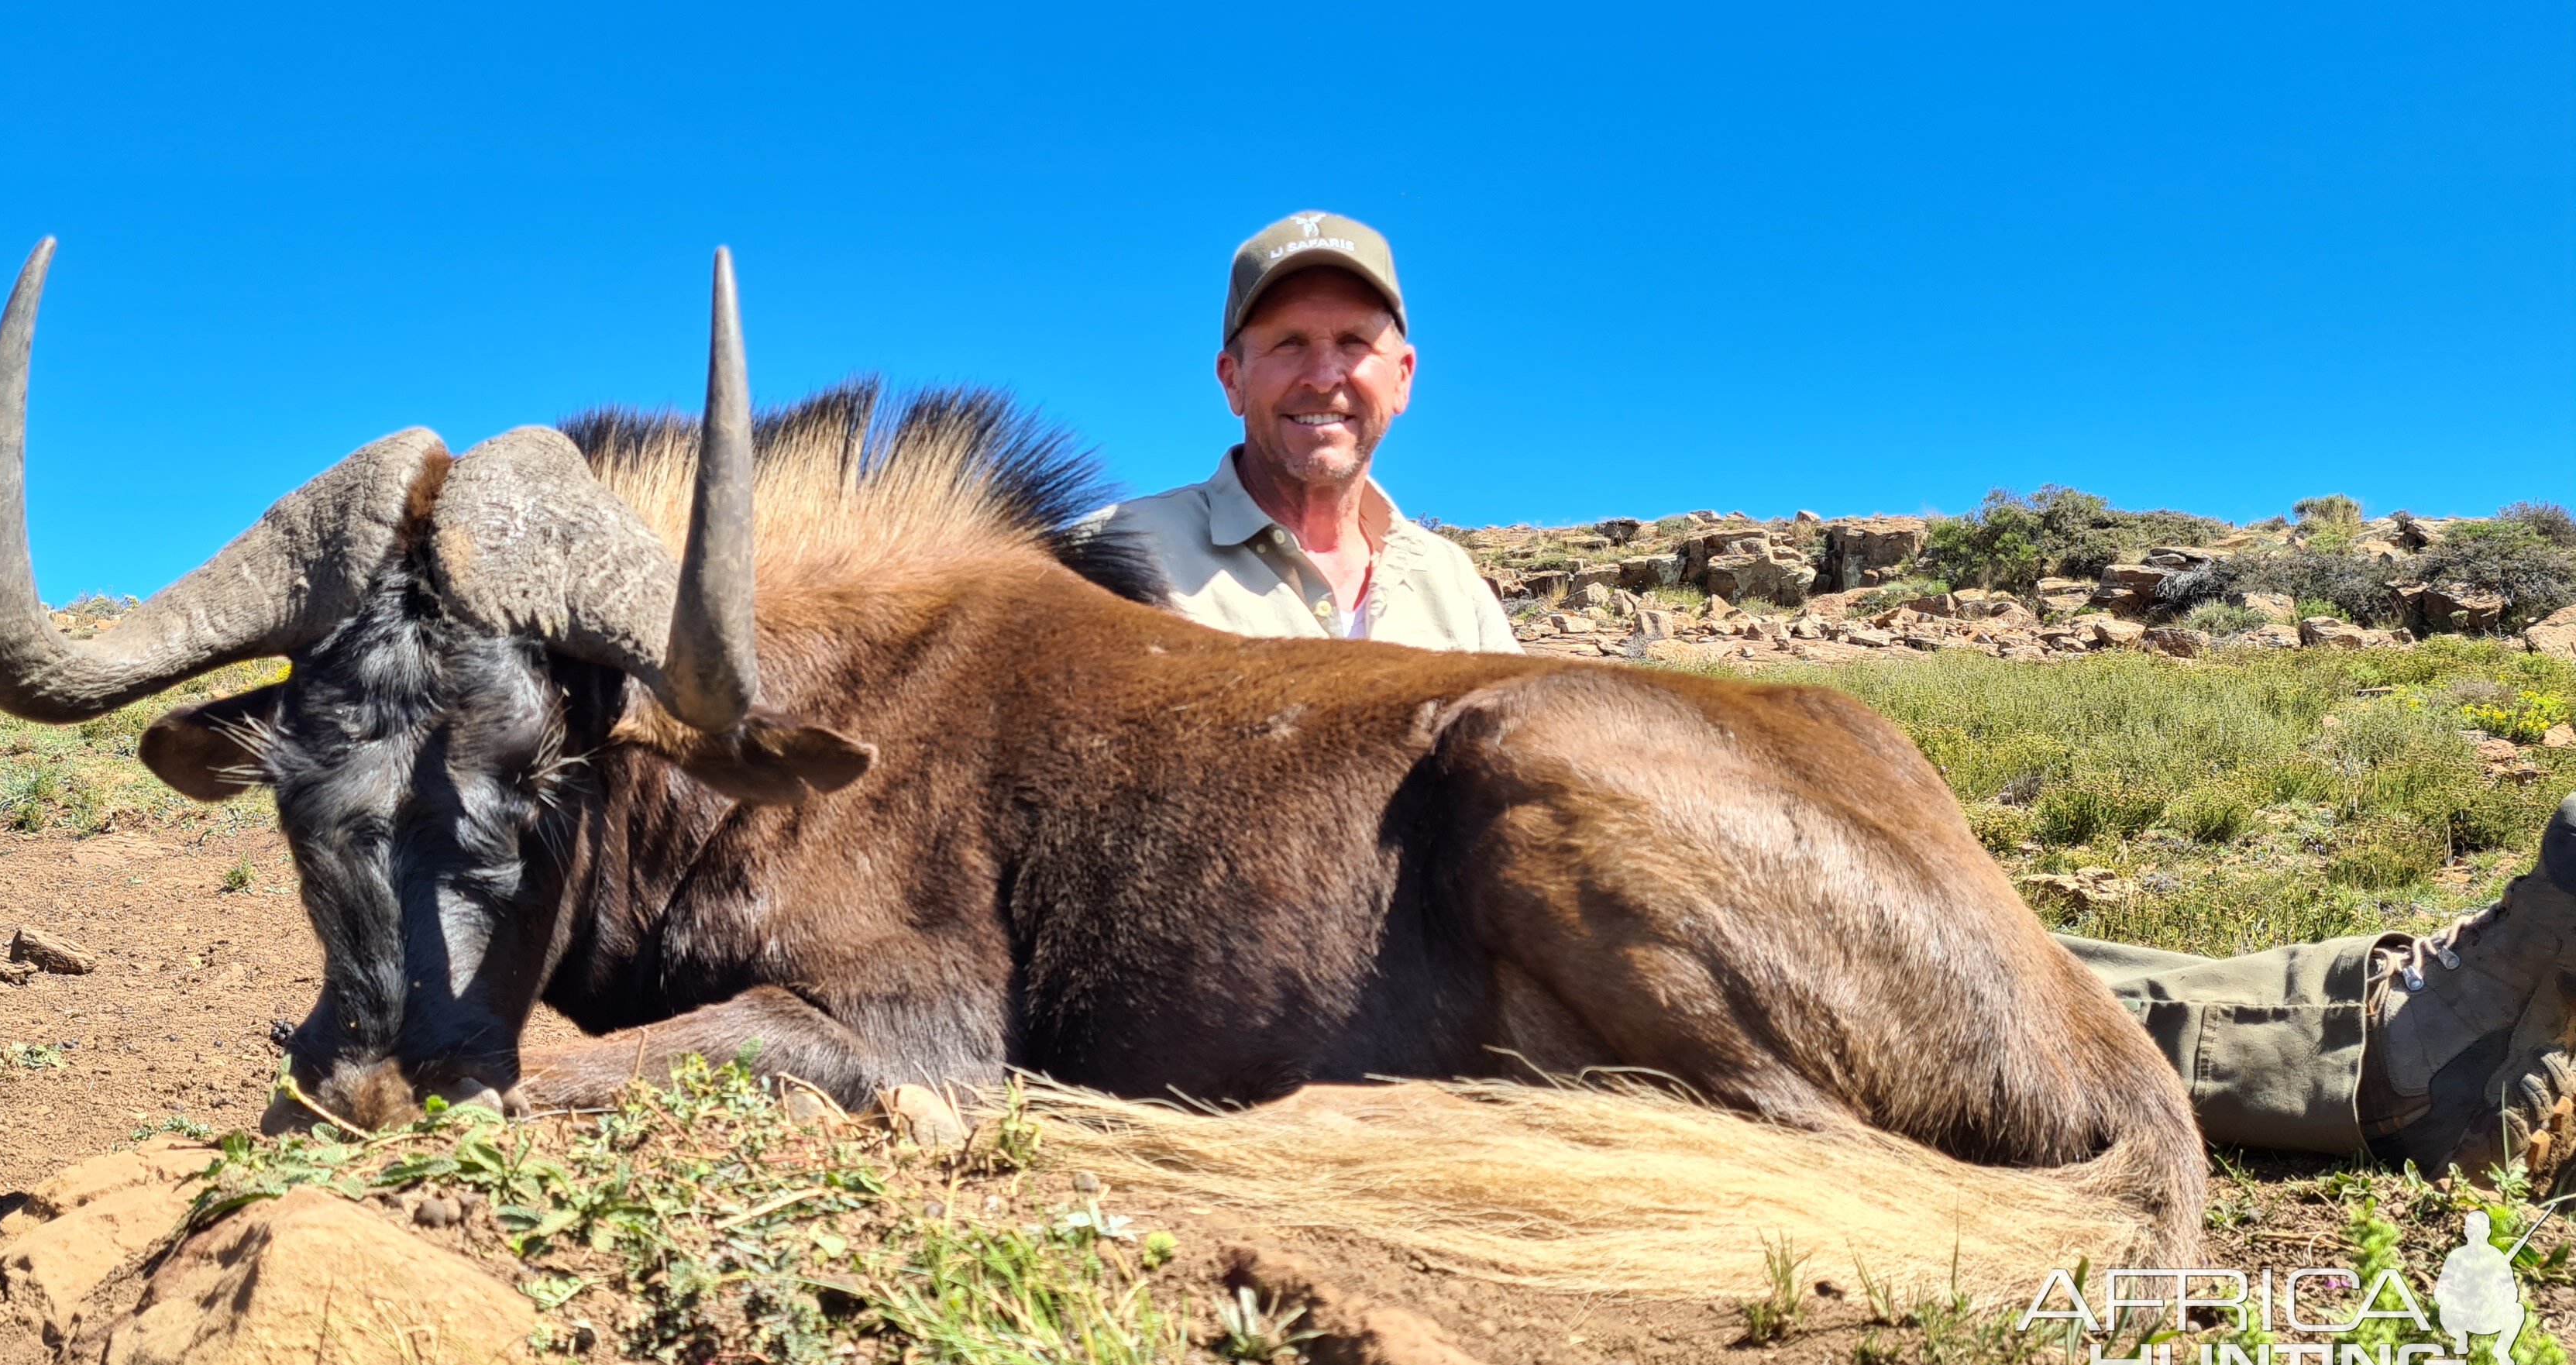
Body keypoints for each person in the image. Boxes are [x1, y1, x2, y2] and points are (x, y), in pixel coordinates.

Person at [1085, 209, 2576, 1180]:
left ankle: (2373, 1011)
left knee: (1912, 938)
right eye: (1287, 343)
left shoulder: (1450, 587)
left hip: (1509, 912)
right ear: (1230, 374)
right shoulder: (1116, 565)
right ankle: (2390, 1052)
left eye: (1353, 344)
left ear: (1403, 372)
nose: (1321, 374)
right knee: (1887, 981)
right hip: (1334, 957)